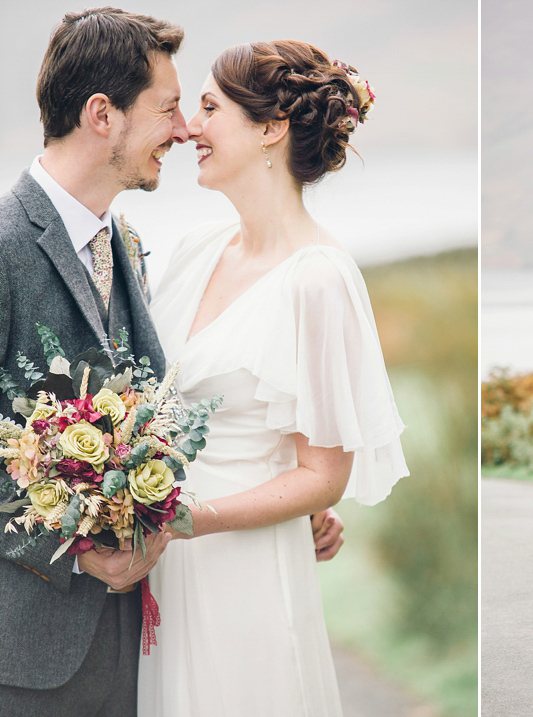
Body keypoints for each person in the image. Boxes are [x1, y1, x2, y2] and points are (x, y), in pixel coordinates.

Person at [0, 10, 342, 715]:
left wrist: (282, 498)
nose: (185, 129)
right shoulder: (5, 245)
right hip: (28, 654)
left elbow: (158, 411)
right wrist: (68, 540)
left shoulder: (125, 245)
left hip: (142, 641)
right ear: (102, 115)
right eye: (169, 107)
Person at [136, 40, 407, 716]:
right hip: (160, 566)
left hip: (241, 565)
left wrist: (194, 519)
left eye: (207, 108)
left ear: (272, 127)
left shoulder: (318, 277)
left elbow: (324, 473)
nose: (188, 127)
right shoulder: (198, 251)